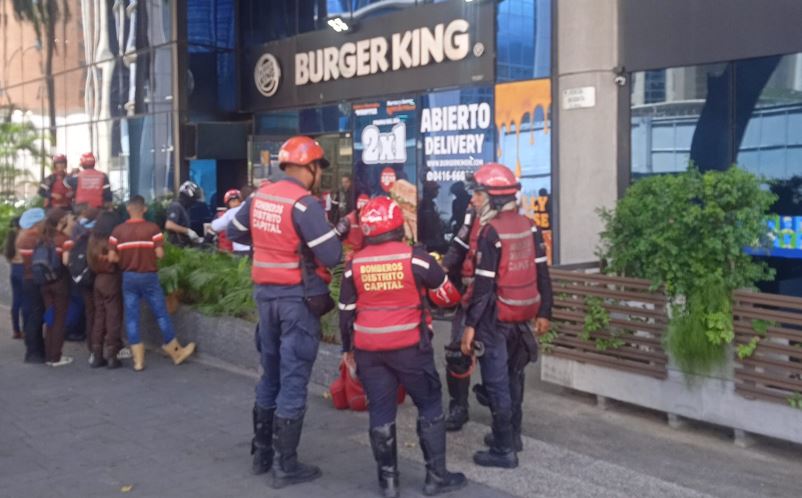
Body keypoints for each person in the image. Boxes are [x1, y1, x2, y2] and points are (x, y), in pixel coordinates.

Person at [228, 136, 343, 489]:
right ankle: (285, 465)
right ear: (309, 168)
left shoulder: (259, 196)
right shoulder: (304, 205)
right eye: (318, 169)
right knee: (293, 379)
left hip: (266, 298)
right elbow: (332, 256)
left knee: (270, 375)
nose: (319, 175)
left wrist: (271, 243)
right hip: (295, 301)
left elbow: (236, 231)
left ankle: (262, 454)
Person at [338, 196, 466, 497]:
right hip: (410, 347)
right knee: (430, 403)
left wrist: (348, 349)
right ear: (398, 224)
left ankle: (389, 484)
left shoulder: (354, 263)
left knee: (381, 410)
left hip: (369, 348)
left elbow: (345, 312)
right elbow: (449, 297)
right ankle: (436, 477)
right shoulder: (417, 258)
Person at [459, 163, 553, 469]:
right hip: (522, 317)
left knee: (496, 380)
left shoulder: (491, 232)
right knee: (515, 376)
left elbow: (484, 287)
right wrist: (545, 311)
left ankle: (503, 450)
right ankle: (512, 436)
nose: (473, 199)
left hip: (495, 319)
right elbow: (543, 272)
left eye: (478, 193)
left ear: (492, 198)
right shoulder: (530, 226)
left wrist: (470, 326)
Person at [109, 196, 196, 371]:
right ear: (145, 209)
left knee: (132, 317)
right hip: (149, 276)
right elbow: (160, 254)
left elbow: (112, 257)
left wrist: (126, 258)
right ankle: (176, 351)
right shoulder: (152, 229)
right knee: (161, 313)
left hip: (128, 277)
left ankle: (138, 361)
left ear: (128, 209)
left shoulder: (118, 231)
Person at [439, 204, 480, 432]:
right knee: (457, 351)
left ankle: (507, 418)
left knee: (502, 359)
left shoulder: (510, 222)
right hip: (469, 297)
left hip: (496, 298)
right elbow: (460, 242)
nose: (472, 197)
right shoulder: (472, 214)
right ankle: (458, 407)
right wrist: (444, 267)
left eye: (478, 193)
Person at [87, 212, 124, 368]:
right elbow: (119, 261)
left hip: (98, 280)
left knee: (99, 317)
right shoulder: (112, 242)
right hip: (111, 279)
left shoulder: (92, 241)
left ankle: (97, 354)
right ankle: (112, 355)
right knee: (113, 317)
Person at [39, 209, 74, 367]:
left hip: (44, 283)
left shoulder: (43, 238)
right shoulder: (64, 240)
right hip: (60, 283)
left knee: (51, 318)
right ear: (61, 222)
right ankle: (55, 357)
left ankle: (48, 354)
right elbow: (66, 262)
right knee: (60, 319)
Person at [62, 206, 99, 354]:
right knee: (89, 309)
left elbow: (65, 261)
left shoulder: (71, 240)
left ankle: (82, 335)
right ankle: (92, 340)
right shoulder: (96, 240)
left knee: (83, 307)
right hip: (93, 277)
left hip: (76, 276)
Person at [16, 208, 47, 362]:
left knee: (31, 315)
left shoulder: (22, 237)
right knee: (36, 316)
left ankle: (33, 349)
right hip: (35, 280)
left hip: (27, 279)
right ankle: (34, 352)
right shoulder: (34, 239)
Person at [210, 188, 251, 256]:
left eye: (236, 200)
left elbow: (215, 226)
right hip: (255, 249)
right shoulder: (251, 207)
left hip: (241, 250)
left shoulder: (230, 213)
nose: (234, 203)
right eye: (232, 201)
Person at [165, 181, 203, 247]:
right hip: (177, 248)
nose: (194, 202)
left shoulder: (185, 208)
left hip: (185, 245)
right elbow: (169, 225)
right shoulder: (176, 206)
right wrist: (187, 231)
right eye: (194, 199)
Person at [6, 217, 25, 339]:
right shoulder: (23, 237)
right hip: (23, 268)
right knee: (27, 301)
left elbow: (7, 256)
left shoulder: (11, 238)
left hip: (14, 268)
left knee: (16, 301)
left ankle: (16, 330)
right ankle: (26, 329)